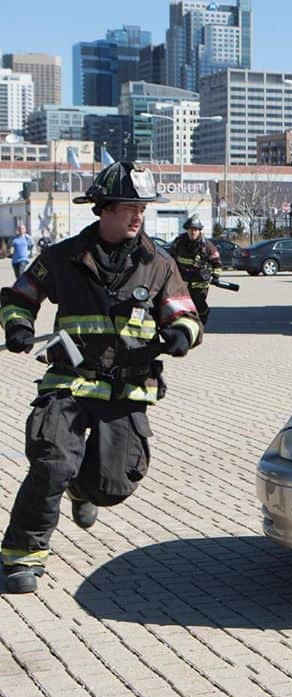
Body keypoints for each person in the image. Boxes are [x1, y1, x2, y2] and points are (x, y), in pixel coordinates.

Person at [0, 162, 202, 595]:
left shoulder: (159, 264)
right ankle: (21, 558)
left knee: (112, 486)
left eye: (143, 209)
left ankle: (84, 491)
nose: (138, 217)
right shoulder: (62, 257)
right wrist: (17, 326)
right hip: (69, 382)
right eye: (130, 207)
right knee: (52, 462)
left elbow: (186, 314)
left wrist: (181, 334)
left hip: (127, 389)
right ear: (103, 209)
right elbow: (19, 297)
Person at [168, 214, 222, 326]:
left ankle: (202, 321)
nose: (193, 232)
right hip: (183, 280)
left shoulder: (207, 246)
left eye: (195, 230)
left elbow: (217, 263)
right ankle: (185, 323)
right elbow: (169, 258)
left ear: (199, 231)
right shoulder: (179, 242)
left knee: (199, 303)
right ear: (187, 230)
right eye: (191, 229)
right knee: (181, 303)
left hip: (200, 281)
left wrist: (216, 277)